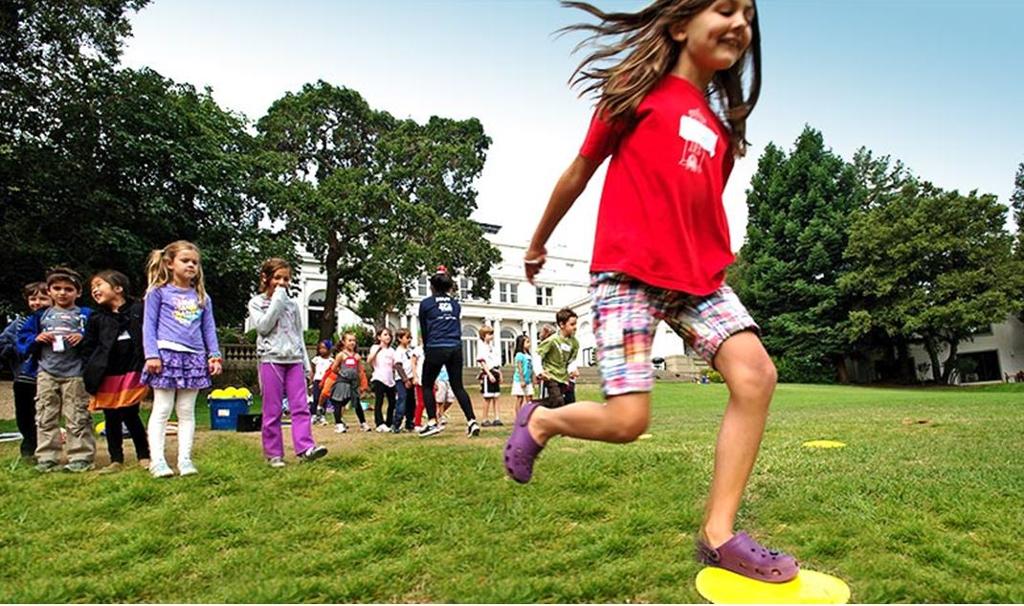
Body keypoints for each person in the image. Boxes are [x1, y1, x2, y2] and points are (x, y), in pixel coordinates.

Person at [505, 0, 800, 583]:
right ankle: (541, 421)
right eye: (725, 8)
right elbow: (579, 171)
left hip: (698, 280)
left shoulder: (721, 131)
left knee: (756, 376)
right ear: (680, 24)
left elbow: (698, 202)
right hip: (627, 274)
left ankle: (719, 535)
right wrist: (538, 242)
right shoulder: (633, 94)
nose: (740, 24)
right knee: (627, 422)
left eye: (748, 15)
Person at [142, 240, 221, 478]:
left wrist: (214, 355)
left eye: (195, 262)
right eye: (185, 261)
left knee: (186, 410)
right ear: (169, 263)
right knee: (163, 408)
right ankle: (157, 461)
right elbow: (148, 325)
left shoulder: (203, 297)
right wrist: (152, 354)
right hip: (166, 355)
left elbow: (209, 329)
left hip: (194, 358)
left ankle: (184, 459)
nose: (191, 265)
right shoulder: (158, 292)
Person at [248, 258, 328, 468]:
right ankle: (274, 453)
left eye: (286, 279)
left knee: (300, 406)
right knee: (273, 408)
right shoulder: (257, 303)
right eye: (277, 278)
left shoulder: (292, 305)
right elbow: (263, 327)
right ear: (266, 278)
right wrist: (277, 300)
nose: (282, 283)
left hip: (294, 359)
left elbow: (298, 335)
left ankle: (306, 448)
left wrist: (306, 365)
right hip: (271, 359)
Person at [16, 268, 95, 472]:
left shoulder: (86, 315)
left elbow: (99, 339)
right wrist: (36, 339)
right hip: (46, 372)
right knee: (45, 414)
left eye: (68, 289)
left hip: (75, 373)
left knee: (77, 415)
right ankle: (47, 457)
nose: (62, 293)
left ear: (78, 292)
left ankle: (81, 456)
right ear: (49, 291)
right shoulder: (40, 316)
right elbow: (22, 341)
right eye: (57, 288)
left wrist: (83, 338)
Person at [80, 270, 151, 474]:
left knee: (130, 413)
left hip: (133, 369)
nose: (94, 290)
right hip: (108, 373)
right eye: (92, 288)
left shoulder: (139, 309)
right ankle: (116, 459)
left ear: (118, 288)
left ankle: (144, 456)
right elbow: (88, 347)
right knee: (111, 416)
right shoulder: (96, 318)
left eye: (99, 285)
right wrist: (90, 369)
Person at [416, 266, 479, 438]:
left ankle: (432, 422)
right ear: (449, 287)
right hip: (455, 347)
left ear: (432, 287)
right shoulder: (455, 305)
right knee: (458, 386)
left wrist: (427, 348)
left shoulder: (426, 304)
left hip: (436, 346)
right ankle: (472, 421)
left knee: (427, 384)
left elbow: (424, 329)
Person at [0, 282, 51, 461]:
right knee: (24, 415)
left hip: (49, 376)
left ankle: (48, 449)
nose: (37, 302)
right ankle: (28, 447)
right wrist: (16, 349)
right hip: (23, 377)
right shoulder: (19, 323)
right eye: (33, 298)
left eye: (43, 298)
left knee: (46, 415)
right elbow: (4, 343)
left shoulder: (58, 322)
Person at [323, 332, 370, 433]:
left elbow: (360, 370)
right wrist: (341, 373)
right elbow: (334, 367)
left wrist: (362, 384)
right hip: (342, 382)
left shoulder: (357, 356)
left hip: (353, 383)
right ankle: (338, 424)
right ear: (344, 342)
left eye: (354, 340)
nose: (352, 343)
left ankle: (363, 423)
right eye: (350, 340)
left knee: (357, 403)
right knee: (338, 402)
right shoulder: (341, 355)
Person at [535, 308, 580, 409]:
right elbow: (538, 354)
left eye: (575, 324)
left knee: (570, 403)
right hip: (551, 376)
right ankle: (535, 407)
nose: (575, 327)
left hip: (564, 377)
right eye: (572, 324)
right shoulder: (552, 340)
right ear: (562, 325)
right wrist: (539, 372)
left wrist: (573, 369)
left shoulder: (575, 343)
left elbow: (572, 360)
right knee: (557, 401)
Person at [367, 327, 397, 432]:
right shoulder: (375, 347)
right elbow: (369, 360)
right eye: (385, 335)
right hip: (378, 377)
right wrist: (378, 350)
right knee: (379, 401)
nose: (388, 337)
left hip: (390, 379)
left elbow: (394, 365)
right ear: (379, 337)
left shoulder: (392, 350)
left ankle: (389, 422)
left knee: (392, 402)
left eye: (389, 335)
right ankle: (379, 423)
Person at [476, 326, 503, 426]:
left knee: (496, 397)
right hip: (488, 373)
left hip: (495, 371)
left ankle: (497, 418)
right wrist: (489, 374)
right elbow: (482, 362)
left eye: (492, 334)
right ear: (484, 336)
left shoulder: (493, 347)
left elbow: (496, 361)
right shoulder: (482, 347)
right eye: (489, 334)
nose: (491, 336)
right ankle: (484, 419)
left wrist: (499, 374)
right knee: (487, 398)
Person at [392, 328, 416, 433]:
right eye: (407, 337)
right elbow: (398, 366)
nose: (409, 339)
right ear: (400, 338)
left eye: (410, 337)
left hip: (411, 378)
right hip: (401, 380)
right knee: (402, 400)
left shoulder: (410, 350)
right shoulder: (398, 352)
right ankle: (396, 423)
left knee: (411, 402)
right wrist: (405, 380)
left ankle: (409, 422)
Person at [310, 340, 333, 426]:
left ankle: (322, 415)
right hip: (317, 380)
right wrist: (311, 382)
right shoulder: (316, 359)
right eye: (320, 348)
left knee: (324, 399)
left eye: (324, 348)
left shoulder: (331, 361)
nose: (322, 350)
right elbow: (313, 371)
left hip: (326, 381)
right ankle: (314, 414)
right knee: (315, 398)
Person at [511, 334, 535, 416]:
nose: (529, 344)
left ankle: (529, 415)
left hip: (528, 380)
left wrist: (532, 379)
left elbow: (530, 368)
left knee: (530, 398)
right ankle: (519, 416)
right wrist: (522, 380)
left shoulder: (529, 355)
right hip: (520, 380)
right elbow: (519, 368)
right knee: (520, 398)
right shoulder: (519, 355)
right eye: (527, 342)